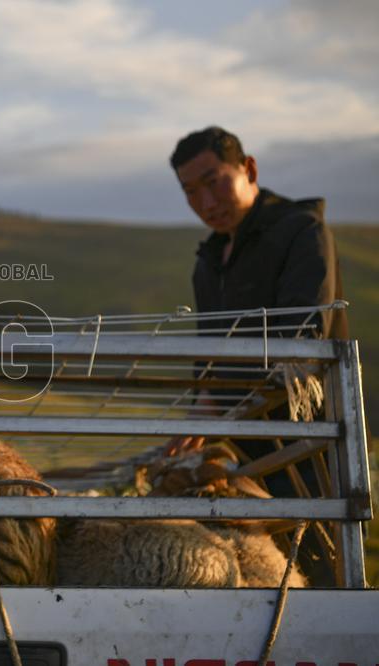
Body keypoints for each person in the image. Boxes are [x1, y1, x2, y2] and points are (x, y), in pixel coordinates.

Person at [166, 126, 348, 584]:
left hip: (310, 450)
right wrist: (194, 420)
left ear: (248, 169)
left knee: (320, 582)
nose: (206, 202)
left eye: (214, 181)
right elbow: (209, 357)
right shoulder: (209, 262)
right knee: (259, 585)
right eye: (191, 192)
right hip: (245, 459)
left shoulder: (301, 232)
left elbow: (303, 338)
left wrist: (212, 407)